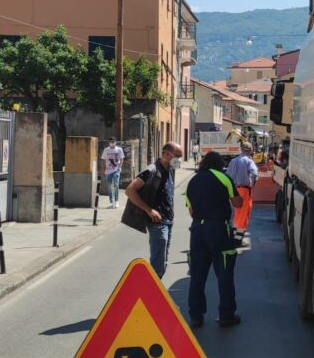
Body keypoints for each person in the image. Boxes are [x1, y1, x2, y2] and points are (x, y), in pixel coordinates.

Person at [184, 152, 243, 329]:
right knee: (224, 274)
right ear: (219, 164)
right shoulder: (224, 178)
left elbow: (191, 211)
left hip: (197, 231)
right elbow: (238, 203)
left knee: (197, 276)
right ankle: (226, 315)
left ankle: (196, 316)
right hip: (219, 230)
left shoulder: (192, 181)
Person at [124, 141, 183, 278]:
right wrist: (149, 210)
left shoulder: (170, 169)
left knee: (163, 264)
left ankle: (150, 288)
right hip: (157, 224)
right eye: (177, 156)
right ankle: (149, 290)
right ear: (167, 154)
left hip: (168, 221)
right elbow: (130, 190)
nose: (179, 159)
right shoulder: (151, 170)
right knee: (158, 266)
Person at [225, 141, 258, 234]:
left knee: (235, 213)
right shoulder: (249, 161)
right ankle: (238, 238)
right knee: (243, 214)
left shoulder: (233, 161)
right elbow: (254, 173)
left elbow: (227, 176)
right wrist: (252, 183)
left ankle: (233, 234)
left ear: (241, 150)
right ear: (250, 151)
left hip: (232, 190)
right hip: (244, 190)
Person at [101, 138, 125, 208]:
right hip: (108, 171)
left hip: (116, 170)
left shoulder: (119, 149)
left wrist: (119, 167)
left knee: (116, 185)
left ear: (115, 142)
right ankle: (112, 202)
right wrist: (103, 169)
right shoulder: (106, 150)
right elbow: (103, 160)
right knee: (109, 186)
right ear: (109, 142)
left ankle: (117, 201)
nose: (111, 143)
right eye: (110, 142)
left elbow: (122, 159)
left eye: (113, 141)